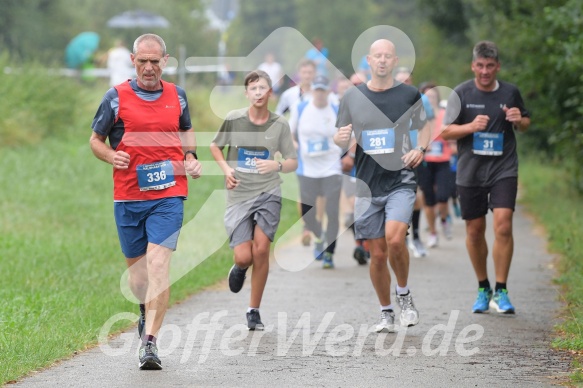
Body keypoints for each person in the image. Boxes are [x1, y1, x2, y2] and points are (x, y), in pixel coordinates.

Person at [90, 33, 202, 370]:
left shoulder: (177, 96)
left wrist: (192, 155)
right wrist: (111, 156)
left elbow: (186, 130)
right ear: (133, 61)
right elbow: (95, 140)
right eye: (143, 61)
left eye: (156, 61)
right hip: (128, 196)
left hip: (169, 194)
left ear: (165, 61)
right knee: (139, 279)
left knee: (158, 265)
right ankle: (144, 309)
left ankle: (149, 344)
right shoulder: (115, 98)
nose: (150, 67)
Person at [334, 39, 431, 332]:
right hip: (367, 183)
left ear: (394, 60)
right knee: (376, 254)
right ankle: (386, 312)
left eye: (388, 56)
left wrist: (421, 149)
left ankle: (404, 294)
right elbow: (340, 138)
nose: (382, 60)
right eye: (377, 56)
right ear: (368, 60)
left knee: (395, 239)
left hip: (400, 178)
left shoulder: (408, 94)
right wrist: (341, 139)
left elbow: (425, 127)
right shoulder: (353, 97)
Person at [442, 41, 530, 314]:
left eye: (490, 66)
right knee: (475, 230)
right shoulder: (461, 92)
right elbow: (445, 132)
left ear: (497, 67)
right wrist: (469, 126)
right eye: (480, 66)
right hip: (471, 171)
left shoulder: (510, 92)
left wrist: (518, 120)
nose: (485, 71)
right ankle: (483, 286)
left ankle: (501, 290)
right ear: (473, 66)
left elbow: (525, 124)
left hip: (503, 168)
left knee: (503, 226)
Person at [210, 70, 298, 330]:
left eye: (263, 88)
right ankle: (239, 268)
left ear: (270, 93)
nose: (258, 92)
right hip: (239, 193)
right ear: (246, 93)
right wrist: (227, 170)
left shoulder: (280, 124)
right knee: (244, 256)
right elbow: (216, 146)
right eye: (253, 88)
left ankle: (253, 310)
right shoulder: (234, 119)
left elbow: (293, 162)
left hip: (268, 192)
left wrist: (276, 165)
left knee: (261, 250)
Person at [289, 75, 343, 268]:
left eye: (323, 90)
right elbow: (290, 132)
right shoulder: (301, 108)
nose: (320, 94)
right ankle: (319, 237)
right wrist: (295, 146)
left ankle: (329, 253)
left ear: (329, 91)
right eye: (317, 90)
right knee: (307, 212)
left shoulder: (337, 109)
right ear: (312, 91)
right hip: (307, 169)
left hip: (331, 168)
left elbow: (347, 135)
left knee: (332, 211)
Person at [395, 67, 432, 258]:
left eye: (407, 82)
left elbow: (428, 126)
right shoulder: (387, 100)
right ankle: (398, 235)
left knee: (416, 198)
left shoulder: (421, 99)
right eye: (399, 82)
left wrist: (423, 147)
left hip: (414, 156)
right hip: (393, 158)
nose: (403, 86)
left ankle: (415, 236)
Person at [418, 83, 455, 248]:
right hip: (425, 162)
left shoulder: (444, 114)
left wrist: (453, 145)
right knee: (428, 200)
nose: (430, 99)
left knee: (442, 196)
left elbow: (452, 135)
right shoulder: (417, 116)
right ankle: (433, 232)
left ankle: (444, 219)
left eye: (433, 96)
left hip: (443, 161)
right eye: (426, 96)